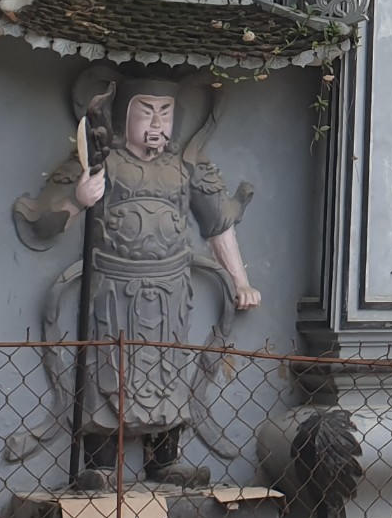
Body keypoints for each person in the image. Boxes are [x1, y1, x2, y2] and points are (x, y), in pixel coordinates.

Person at [17, 69, 258, 491]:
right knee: (107, 370)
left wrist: (240, 280)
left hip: (170, 290)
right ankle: (100, 463)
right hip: (113, 288)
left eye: (165, 112)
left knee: (168, 369)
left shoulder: (185, 166)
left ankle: (164, 459)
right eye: (146, 112)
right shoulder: (100, 160)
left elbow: (218, 223)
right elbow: (45, 218)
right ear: (123, 115)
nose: (157, 123)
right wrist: (77, 199)